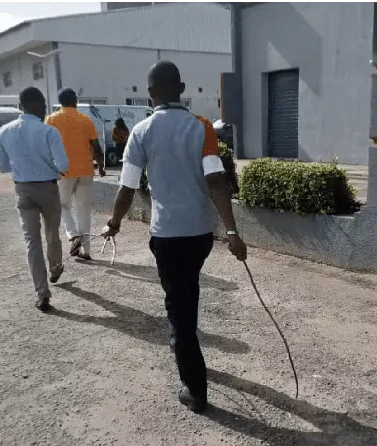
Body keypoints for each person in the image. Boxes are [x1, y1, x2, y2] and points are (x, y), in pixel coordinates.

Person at [101, 61, 247, 414]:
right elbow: (216, 181)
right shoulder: (202, 128)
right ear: (181, 89)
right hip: (199, 235)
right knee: (186, 294)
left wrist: (114, 223)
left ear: (150, 94)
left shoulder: (140, 132)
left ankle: (195, 390)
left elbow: (127, 187)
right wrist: (231, 232)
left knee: (181, 310)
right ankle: (181, 339)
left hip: (166, 236)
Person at [0, 87, 69, 312]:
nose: (45, 109)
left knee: (32, 242)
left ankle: (42, 293)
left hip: (23, 191)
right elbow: (64, 166)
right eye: (44, 105)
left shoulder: (4, 131)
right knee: (52, 234)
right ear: (37, 105)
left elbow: (3, 167)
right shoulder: (49, 132)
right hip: (47, 189)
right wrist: (51, 167)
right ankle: (55, 268)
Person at [45, 88, 106, 261]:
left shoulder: (50, 119)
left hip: (63, 172)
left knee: (61, 205)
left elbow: (46, 146)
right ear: (75, 101)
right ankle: (86, 251)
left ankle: (73, 235)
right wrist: (101, 167)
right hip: (86, 170)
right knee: (84, 210)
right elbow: (96, 147)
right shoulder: (85, 120)